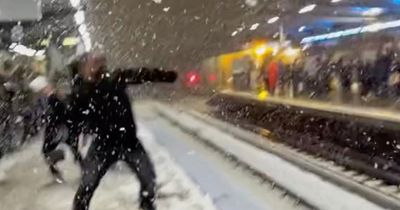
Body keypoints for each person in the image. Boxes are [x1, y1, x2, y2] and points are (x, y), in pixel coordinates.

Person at [65, 53, 177, 210]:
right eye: (87, 64)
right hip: (102, 145)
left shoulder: (115, 78)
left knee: (148, 178)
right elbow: (73, 115)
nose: (93, 65)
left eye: (94, 62)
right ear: (81, 70)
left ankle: (146, 205)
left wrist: (166, 76)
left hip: (128, 141)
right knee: (87, 184)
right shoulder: (81, 91)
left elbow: (141, 74)